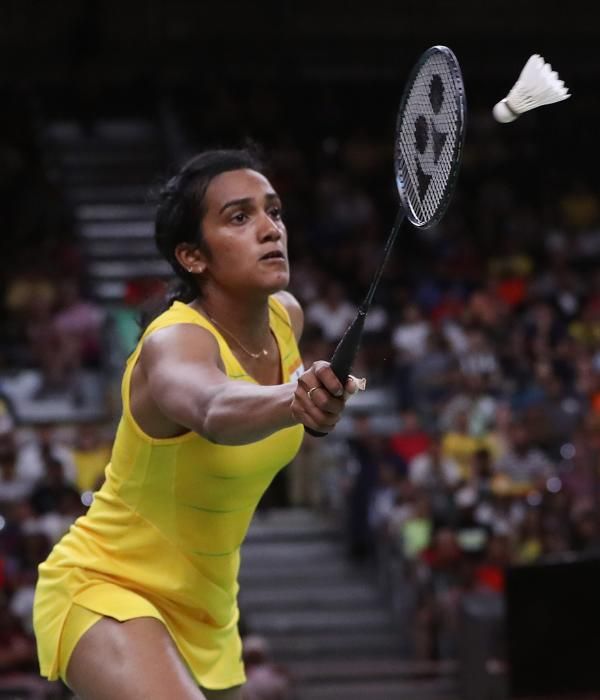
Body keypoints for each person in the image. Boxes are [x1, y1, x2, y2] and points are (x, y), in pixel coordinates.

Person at [32, 149, 361, 700]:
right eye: (239, 217)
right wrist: (293, 398)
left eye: (273, 212)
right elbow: (212, 409)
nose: (268, 229)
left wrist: (314, 405)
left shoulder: (287, 317)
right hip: (109, 584)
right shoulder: (172, 342)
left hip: (209, 608)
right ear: (192, 256)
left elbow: (293, 409)